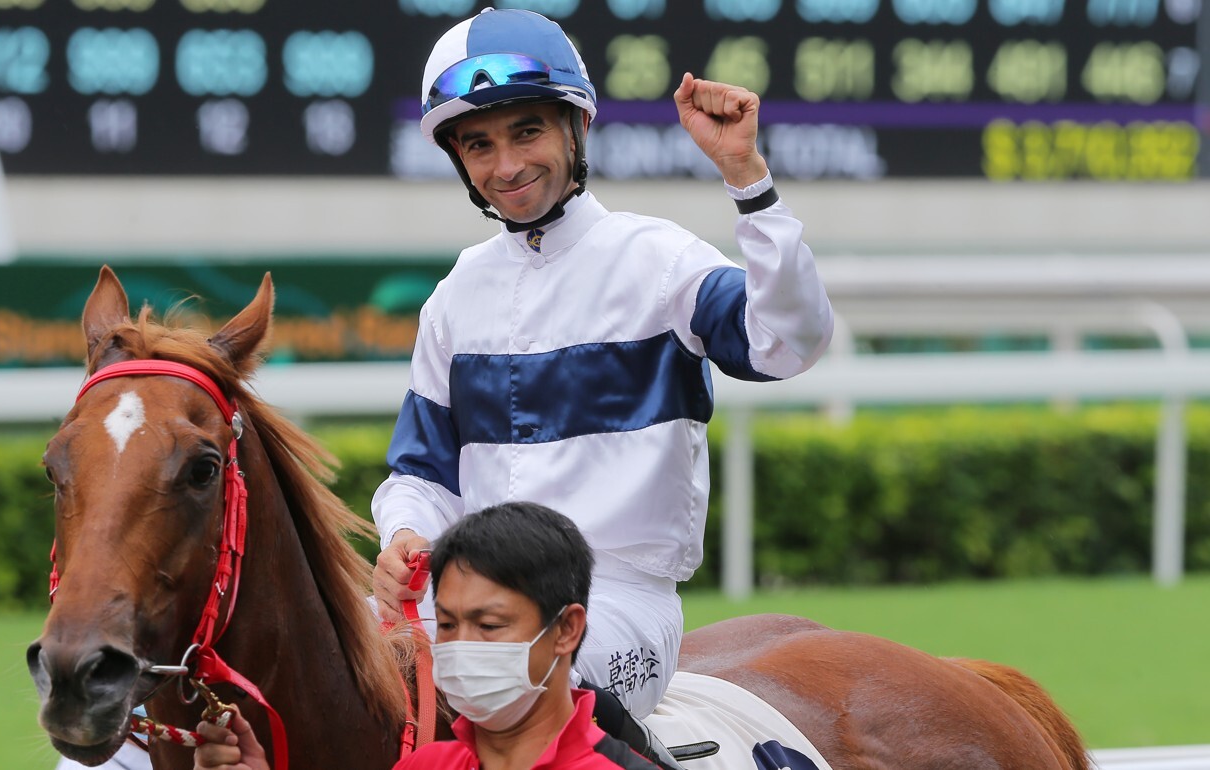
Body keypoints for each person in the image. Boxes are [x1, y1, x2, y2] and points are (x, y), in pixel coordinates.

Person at [371, 7, 834, 767]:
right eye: (479, 145)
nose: (507, 165)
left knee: (517, 692)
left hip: (615, 605)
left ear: (575, 129)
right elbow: (420, 473)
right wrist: (405, 537)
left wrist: (748, 181)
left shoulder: (656, 260)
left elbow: (787, 343)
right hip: (459, 602)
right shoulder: (456, 296)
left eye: (527, 132)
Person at [192, 502, 661, 770]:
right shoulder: (426, 766)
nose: (460, 647)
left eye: (490, 626)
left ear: (566, 629)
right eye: (450, 624)